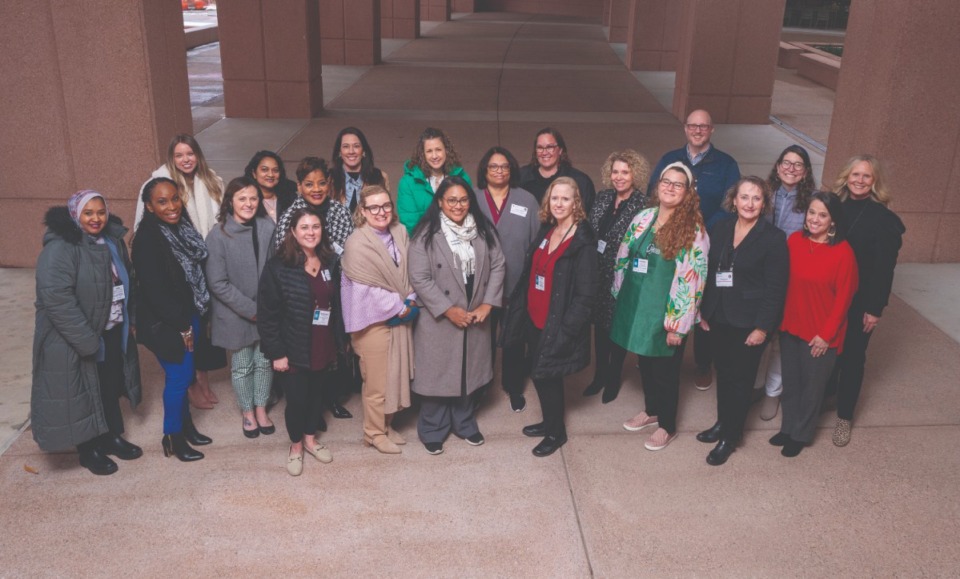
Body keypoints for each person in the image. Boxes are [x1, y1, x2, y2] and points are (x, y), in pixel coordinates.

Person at [31, 191, 142, 475]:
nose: (96, 218)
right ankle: (88, 449)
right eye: (88, 213)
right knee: (81, 392)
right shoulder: (61, 248)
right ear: (75, 215)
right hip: (75, 336)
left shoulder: (113, 240)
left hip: (111, 328)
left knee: (107, 385)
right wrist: (85, 340)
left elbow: (127, 279)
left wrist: (130, 320)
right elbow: (56, 298)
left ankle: (110, 436)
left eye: (101, 212)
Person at [613, 162, 709, 452]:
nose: (669, 187)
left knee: (666, 372)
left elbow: (694, 281)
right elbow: (624, 256)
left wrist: (679, 326)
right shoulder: (644, 217)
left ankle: (667, 424)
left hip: (666, 314)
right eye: (666, 181)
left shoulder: (694, 231)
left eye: (678, 184)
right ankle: (651, 409)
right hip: (638, 306)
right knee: (645, 364)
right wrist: (619, 295)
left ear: (688, 192)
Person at [501, 177, 597, 457]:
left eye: (565, 199)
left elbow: (586, 296)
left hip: (557, 324)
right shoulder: (547, 230)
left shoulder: (583, 242)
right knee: (541, 375)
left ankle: (557, 434)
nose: (559, 204)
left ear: (576, 202)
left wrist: (567, 330)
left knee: (547, 376)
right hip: (534, 318)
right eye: (554, 198)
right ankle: (549, 422)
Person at [408, 176, 506, 454]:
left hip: (475, 315)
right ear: (440, 201)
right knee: (438, 374)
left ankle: (464, 422)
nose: (458, 205)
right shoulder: (426, 235)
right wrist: (448, 310)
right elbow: (420, 278)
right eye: (451, 200)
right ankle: (432, 428)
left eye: (463, 200)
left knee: (467, 373)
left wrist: (488, 303)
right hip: (439, 318)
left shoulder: (483, 230)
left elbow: (498, 264)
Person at [696, 177, 789, 465]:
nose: (749, 203)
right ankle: (722, 423)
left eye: (756, 198)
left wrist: (763, 328)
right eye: (744, 197)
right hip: (719, 315)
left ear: (764, 204)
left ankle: (731, 437)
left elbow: (776, 288)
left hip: (749, 322)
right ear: (733, 201)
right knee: (723, 374)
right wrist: (704, 311)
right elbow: (710, 272)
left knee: (741, 380)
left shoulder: (773, 238)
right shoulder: (721, 227)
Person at [648, 110, 740, 391]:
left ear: (711, 130)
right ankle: (656, 350)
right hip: (672, 242)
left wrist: (699, 226)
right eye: (692, 126)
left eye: (703, 126)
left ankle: (703, 363)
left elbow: (729, 204)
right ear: (685, 129)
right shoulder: (669, 159)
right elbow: (655, 192)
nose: (697, 130)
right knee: (669, 293)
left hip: (709, 243)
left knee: (704, 302)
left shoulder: (726, 164)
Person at [134, 134, 226, 409]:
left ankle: (204, 379)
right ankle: (191, 385)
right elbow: (145, 224)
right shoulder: (158, 185)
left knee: (205, 328)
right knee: (184, 337)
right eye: (179, 155)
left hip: (204, 261)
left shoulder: (212, 181)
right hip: (176, 268)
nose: (186, 160)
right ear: (171, 159)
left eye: (190, 154)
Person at [826, 155, 905, 447]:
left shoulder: (884, 220)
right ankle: (826, 395)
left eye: (866, 176)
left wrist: (875, 309)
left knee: (853, 357)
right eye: (855, 174)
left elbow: (884, 269)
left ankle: (844, 416)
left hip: (860, 301)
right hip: (830, 297)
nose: (859, 180)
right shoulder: (834, 208)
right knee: (829, 349)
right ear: (846, 176)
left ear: (875, 182)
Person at [132, 177, 213, 462]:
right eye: (162, 201)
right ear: (150, 206)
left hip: (189, 311)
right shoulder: (147, 239)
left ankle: (187, 428)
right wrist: (183, 326)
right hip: (168, 321)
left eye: (174, 199)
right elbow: (155, 292)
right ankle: (172, 438)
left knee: (187, 373)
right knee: (179, 378)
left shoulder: (182, 229)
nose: (171, 206)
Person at [258, 209, 344, 475]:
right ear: (293, 232)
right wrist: (277, 353)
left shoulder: (330, 262)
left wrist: (340, 342)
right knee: (296, 400)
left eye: (316, 227)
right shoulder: (277, 267)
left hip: (322, 342)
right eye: (304, 227)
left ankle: (310, 439)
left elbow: (337, 305)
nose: (311, 232)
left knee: (316, 395)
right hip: (292, 346)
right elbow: (267, 315)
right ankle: (295, 446)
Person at [773, 191, 858, 458]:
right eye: (811, 212)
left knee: (812, 388)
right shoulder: (794, 241)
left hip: (820, 334)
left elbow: (844, 301)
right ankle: (787, 428)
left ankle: (801, 434)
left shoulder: (843, 253)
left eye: (823, 215)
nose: (815, 219)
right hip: (790, 326)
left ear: (833, 221)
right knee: (792, 382)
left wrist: (826, 335)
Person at [273, 157, 355, 422]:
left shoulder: (340, 211)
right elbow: (283, 256)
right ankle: (312, 407)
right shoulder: (289, 216)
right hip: (302, 292)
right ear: (299, 186)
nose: (316, 189)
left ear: (329, 184)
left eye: (322, 183)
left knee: (333, 346)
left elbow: (347, 251)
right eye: (309, 184)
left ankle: (331, 397)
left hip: (335, 286)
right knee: (308, 349)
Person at [341, 185, 418, 454]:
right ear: (362, 211)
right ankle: (372, 433)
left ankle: (386, 425)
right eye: (373, 207)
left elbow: (410, 271)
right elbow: (365, 288)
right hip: (372, 322)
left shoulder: (400, 232)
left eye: (386, 206)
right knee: (376, 383)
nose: (381, 212)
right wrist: (400, 305)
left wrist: (412, 296)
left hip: (401, 312)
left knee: (395, 376)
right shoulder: (356, 243)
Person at [205, 176, 277, 439]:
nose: (248, 203)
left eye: (253, 198)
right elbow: (218, 283)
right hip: (235, 312)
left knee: (265, 362)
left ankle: (261, 408)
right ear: (230, 202)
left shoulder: (266, 227)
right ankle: (247, 412)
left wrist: (268, 307)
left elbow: (275, 269)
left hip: (265, 308)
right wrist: (252, 309)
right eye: (242, 198)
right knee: (243, 364)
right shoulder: (218, 235)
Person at [473, 146, 540, 412]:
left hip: (517, 285)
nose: (499, 171)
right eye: (493, 166)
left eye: (504, 166)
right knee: (482, 339)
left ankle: (513, 387)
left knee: (514, 339)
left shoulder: (526, 200)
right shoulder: (473, 199)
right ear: (484, 171)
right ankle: (481, 386)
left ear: (511, 170)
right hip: (482, 287)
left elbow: (536, 242)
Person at [754, 145, 817, 421]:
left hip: (793, 280)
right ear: (777, 167)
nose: (791, 169)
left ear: (805, 173)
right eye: (786, 163)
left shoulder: (813, 203)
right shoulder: (762, 194)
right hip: (759, 277)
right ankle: (753, 386)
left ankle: (772, 392)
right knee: (757, 335)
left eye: (798, 164)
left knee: (780, 340)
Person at [583, 149, 651, 403]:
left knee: (617, 329)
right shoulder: (602, 198)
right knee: (599, 328)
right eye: (615, 172)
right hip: (597, 274)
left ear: (636, 174)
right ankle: (599, 376)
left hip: (624, 278)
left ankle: (612, 379)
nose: (619, 177)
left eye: (625, 172)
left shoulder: (644, 206)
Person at [398, 127, 473, 234]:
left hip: (460, 242)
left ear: (446, 150)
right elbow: (409, 223)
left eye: (438, 150)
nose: (434, 156)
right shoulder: (408, 182)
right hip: (424, 244)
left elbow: (470, 214)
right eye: (429, 151)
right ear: (422, 154)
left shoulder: (462, 178)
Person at [518, 127, 596, 211]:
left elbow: (588, 218)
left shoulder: (580, 180)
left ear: (560, 150)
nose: (544, 152)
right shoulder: (521, 176)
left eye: (550, 147)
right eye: (540, 148)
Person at [330, 127, 389, 213]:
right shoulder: (329, 178)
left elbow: (386, 211)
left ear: (363, 151)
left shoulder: (380, 177)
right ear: (339, 152)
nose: (351, 151)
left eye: (356, 146)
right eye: (346, 146)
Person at [243, 150, 297, 223]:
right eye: (264, 170)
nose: (271, 175)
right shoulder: (246, 201)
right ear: (254, 173)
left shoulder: (290, 198)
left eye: (275, 170)